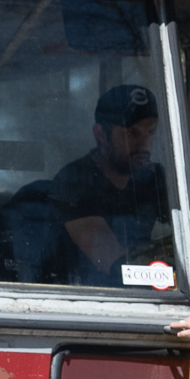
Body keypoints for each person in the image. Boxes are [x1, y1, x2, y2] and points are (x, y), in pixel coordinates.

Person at [18, 83, 167, 286]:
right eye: (131, 133)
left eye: (150, 132)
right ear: (101, 134)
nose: (144, 145)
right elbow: (116, 266)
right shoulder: (74, 181)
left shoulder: (154, 177)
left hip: (143, 289)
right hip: (81, 298)